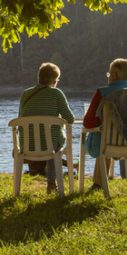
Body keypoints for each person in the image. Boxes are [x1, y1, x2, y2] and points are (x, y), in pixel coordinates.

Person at [17, 62, 75, 193]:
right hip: (51, 147)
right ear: (55, 81)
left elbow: (20, 119)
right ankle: (51, 181)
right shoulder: (56, 94)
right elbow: (70, 119)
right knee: (54, 143)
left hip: (28, 146)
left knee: (50, 142)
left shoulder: (26, 94)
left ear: (39, 78)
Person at [83, 58, 127, 186]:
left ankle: (98, 184)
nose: (108, 76)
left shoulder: (102, 93)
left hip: (105, 143)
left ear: (114, 75)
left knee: (104, 136)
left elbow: (88, 123)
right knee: (108, 135)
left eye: (109, 73)